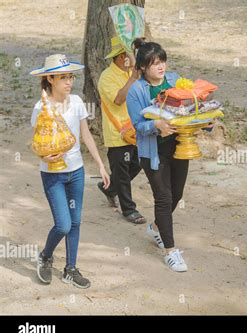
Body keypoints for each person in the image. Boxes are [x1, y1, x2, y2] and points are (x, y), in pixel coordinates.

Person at [30, 54, 110, 288]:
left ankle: (70, 269)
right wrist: (44, 155)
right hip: (52, 174)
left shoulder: (76, 101)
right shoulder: (40, 107)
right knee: (63, 225)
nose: (69, 82)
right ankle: (45, 256)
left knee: (75, 223)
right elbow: (35, 142)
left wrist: (101, 165)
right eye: (63, 77)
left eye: (71, 77)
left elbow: (85, 134)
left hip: (76, 171)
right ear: (51, 79)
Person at [126, 38, 189, 272]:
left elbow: (188, 105)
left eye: (162, 61)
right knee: (163, 198)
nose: (161, 67)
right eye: (154, 64)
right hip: (153, 152)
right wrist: (157, 126)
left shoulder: (174, 80)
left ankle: (155, 228)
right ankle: (171, 251)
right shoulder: (136, 91)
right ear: (142, 67)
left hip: (179, 147)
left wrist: (204, 120)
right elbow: (137, 125)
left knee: (177, 194)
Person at [97, 36, 146, 224]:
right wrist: (133, 77)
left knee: (139, 163)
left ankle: (109, 188)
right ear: (120, 57)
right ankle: (129, 210)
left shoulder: (130, 73)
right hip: (117, 133)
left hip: (135, 130)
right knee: (122, 173)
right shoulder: (107, 77)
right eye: (128, 56)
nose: (131, 59)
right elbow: (119, 99)